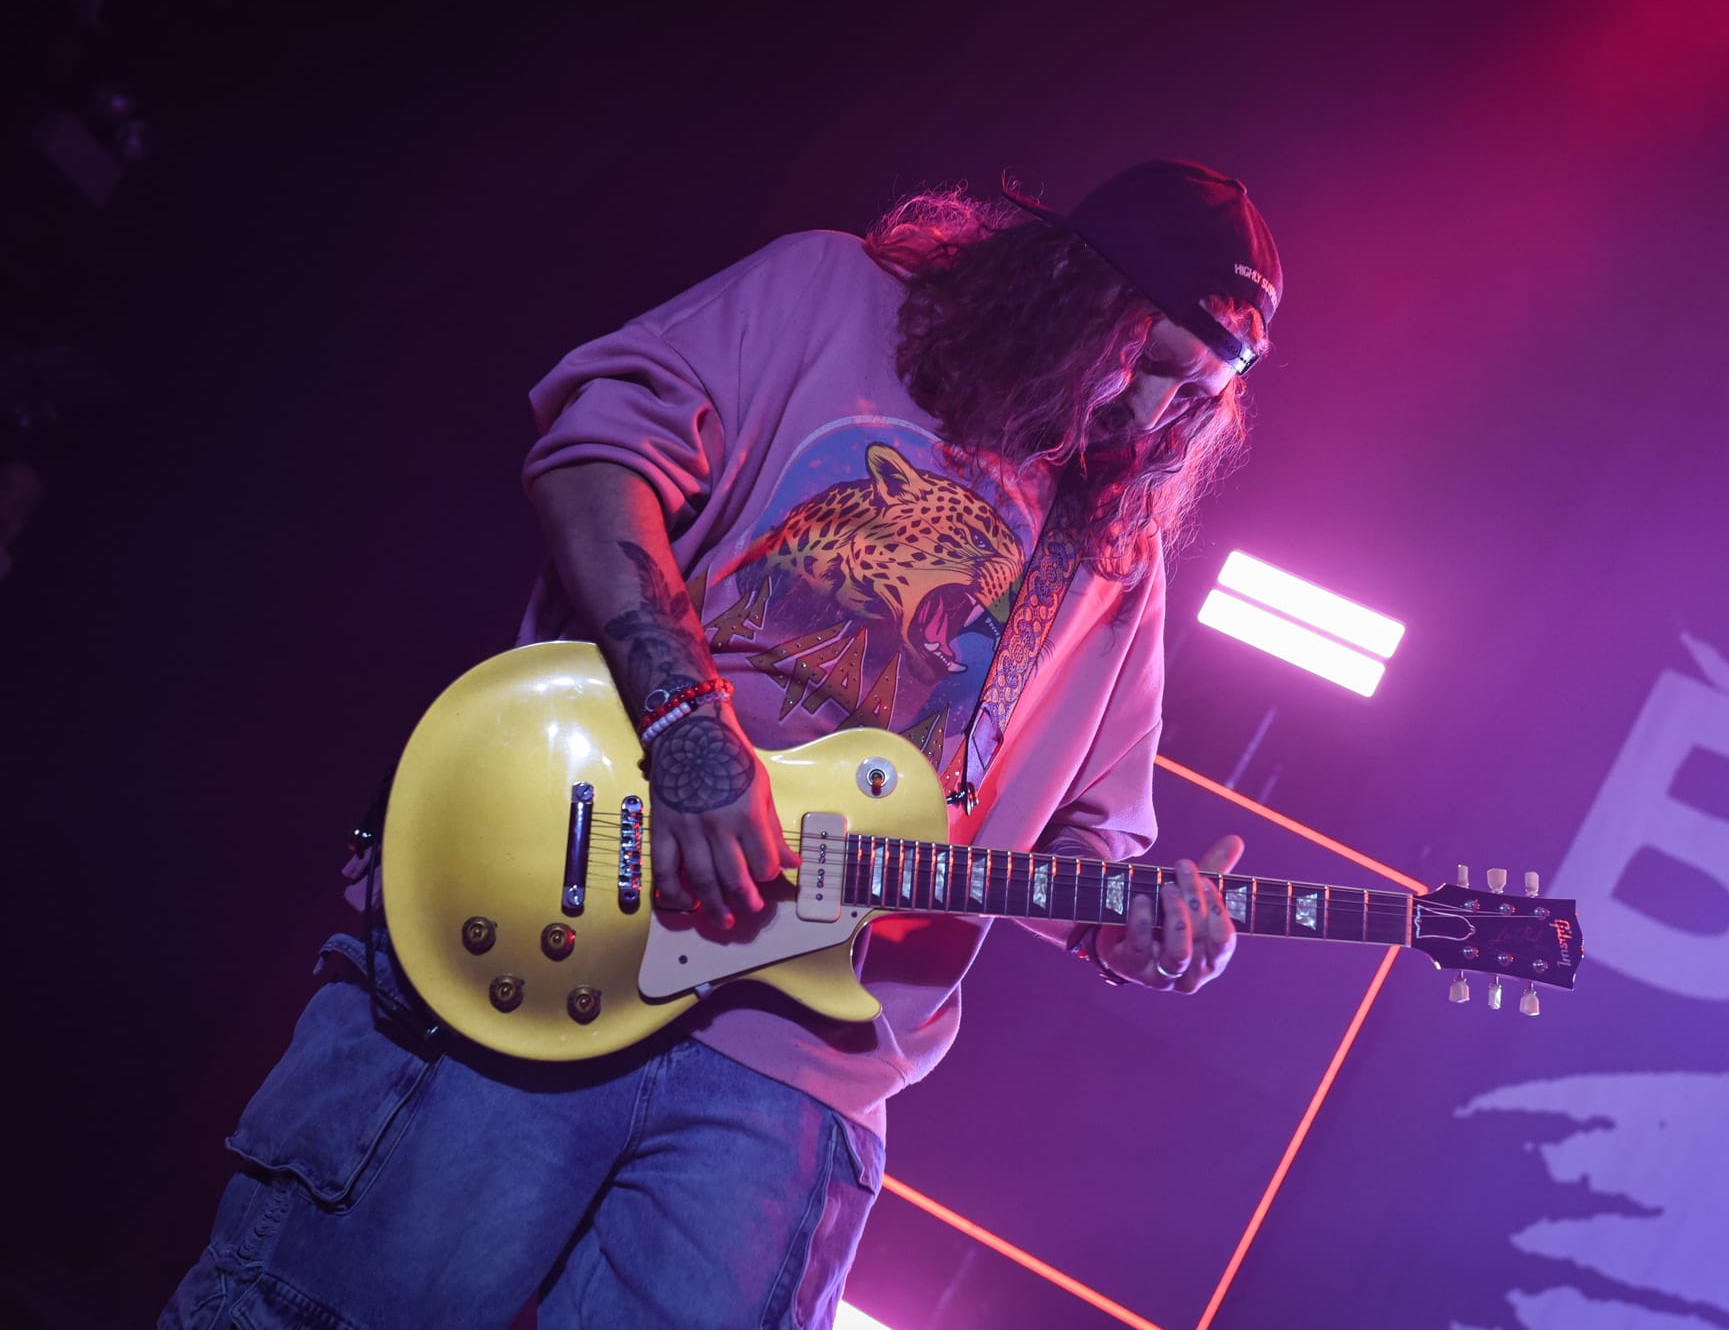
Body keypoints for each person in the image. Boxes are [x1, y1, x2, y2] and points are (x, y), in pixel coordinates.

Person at [162, 158, 1284, 1330]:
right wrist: (686, 726)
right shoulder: (829, 294)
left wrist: (1125, 922)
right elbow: (594, 462)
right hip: (552, 916)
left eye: (1191, 395)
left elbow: (1079, 840)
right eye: (1145, 359)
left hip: (795, 1075)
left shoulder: (1110, 550)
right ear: (1067, 285)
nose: (1151, 411)